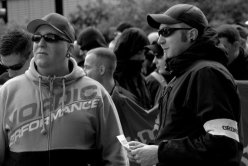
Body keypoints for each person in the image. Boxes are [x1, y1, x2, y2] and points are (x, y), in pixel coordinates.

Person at [0, 13, 128, 166]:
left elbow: (116, 156)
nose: (41, 43)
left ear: (69, 48)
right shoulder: (7, 92)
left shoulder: (96, 92)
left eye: (50, 38)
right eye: (36, 37)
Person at [126, 4, 243, 166]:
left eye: (166, 32)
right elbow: (181, 132)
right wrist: (152, 148)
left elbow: (223, 144)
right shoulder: (184, 72)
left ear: (191, 34)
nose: (160, 40)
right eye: (160, 32)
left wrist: (160, 153)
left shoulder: (207, 72)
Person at [84, 47, 159, 166]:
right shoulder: (96, 98)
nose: (83, 72)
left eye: (87, 67)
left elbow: (125, 134)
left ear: (101, 70)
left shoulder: (124, 100)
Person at [113, 27, 153, 109]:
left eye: (144, 53)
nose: (143, 58)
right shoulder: (111, 80)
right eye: (139, 53)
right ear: (127, 52)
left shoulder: (140, 78)